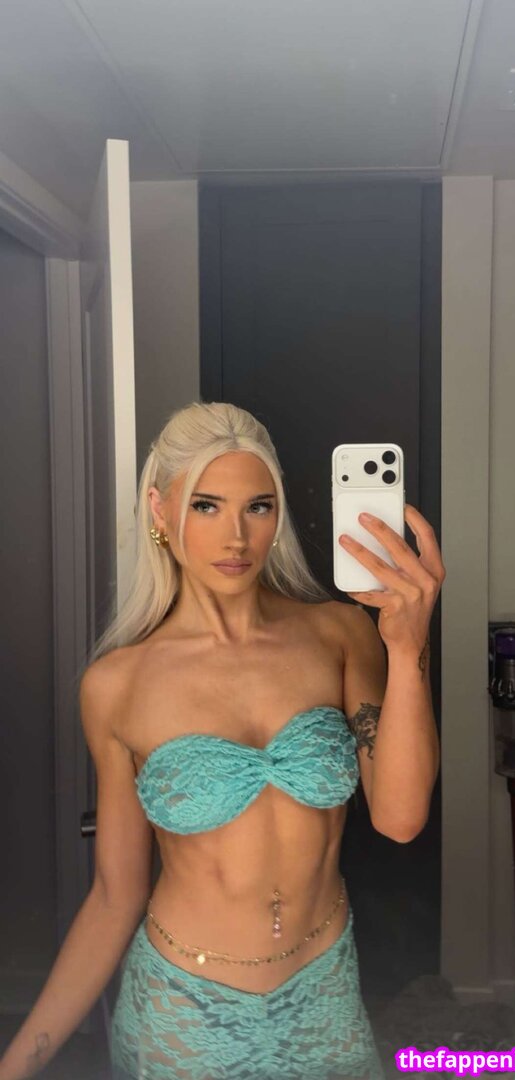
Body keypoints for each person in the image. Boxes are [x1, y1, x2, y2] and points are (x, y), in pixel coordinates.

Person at [0, 401, 444, 1080]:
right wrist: (18, 1063)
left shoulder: (339, 634)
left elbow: (401, 817)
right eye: (206, 506)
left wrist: (408, 648)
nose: (236, 536)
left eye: (257, 507)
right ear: (160, 510)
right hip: (182, 1011)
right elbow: (115, 896)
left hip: (323, 997)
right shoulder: (117, 685)